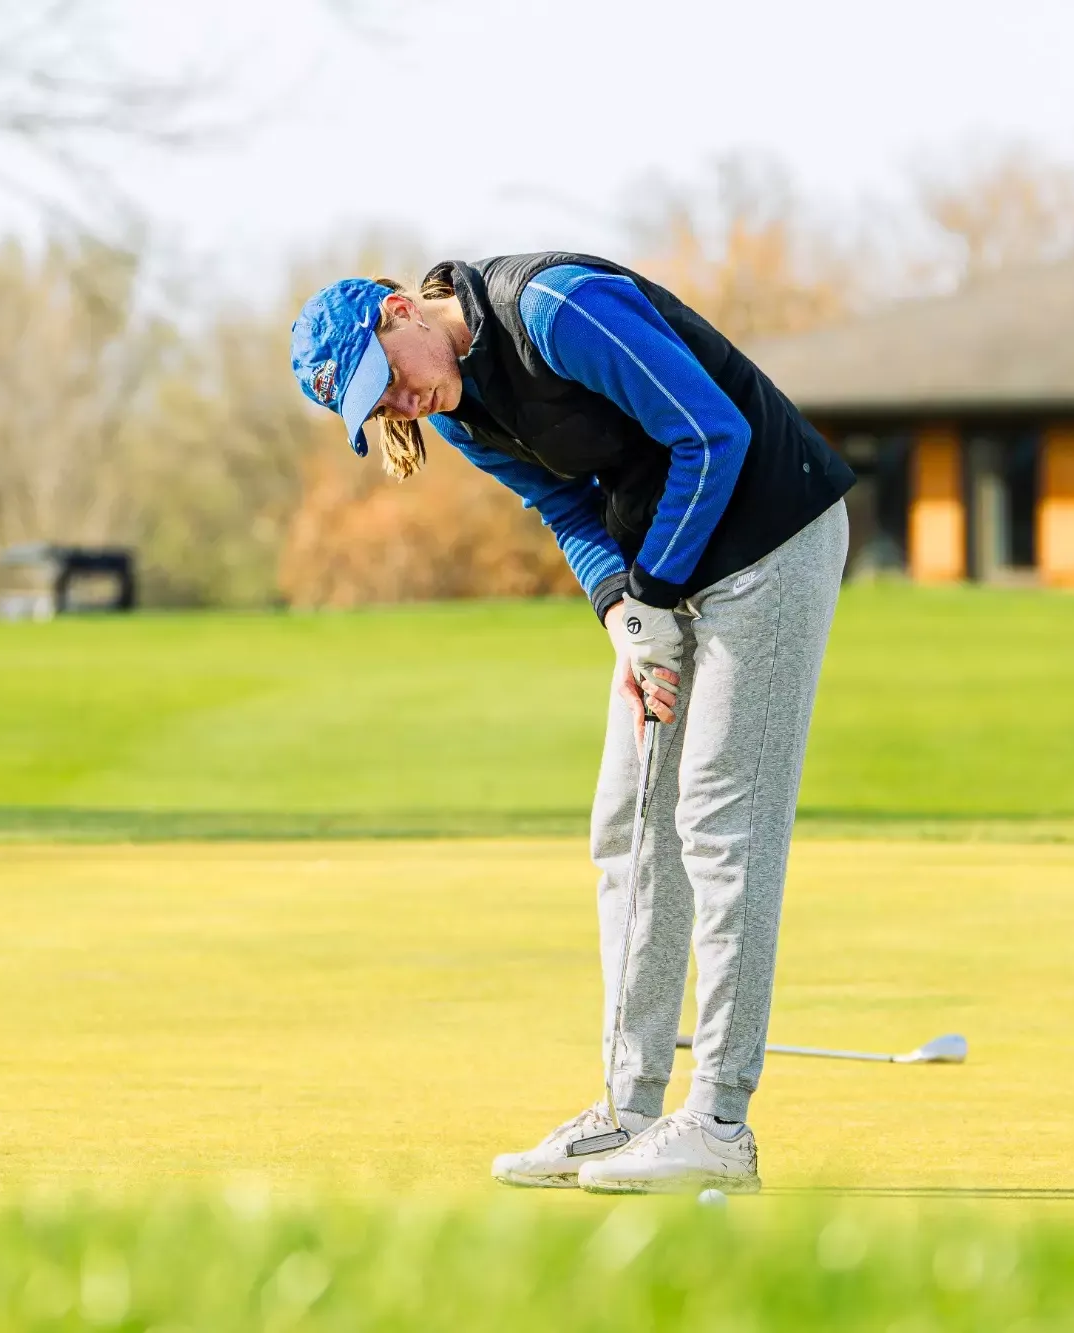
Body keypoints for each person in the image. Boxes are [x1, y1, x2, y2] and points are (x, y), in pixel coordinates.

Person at [290, 254, 853, 1193]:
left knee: (717, 822)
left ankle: (718, 1120)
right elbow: (563, 504)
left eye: (387, 379)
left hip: (771, 544)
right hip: (671, 575)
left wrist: (656, 597)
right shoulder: (459, 404)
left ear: (402, 312)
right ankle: (629, 1110)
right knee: (627, 826)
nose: (399, 405)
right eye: (376, 408)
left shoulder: (554, 308)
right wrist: (625, 616)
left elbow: (710, 436)